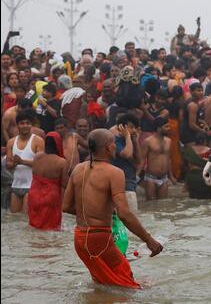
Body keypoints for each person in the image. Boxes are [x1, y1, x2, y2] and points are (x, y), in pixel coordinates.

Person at [62, 129, 163, 289]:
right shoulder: (114, 172)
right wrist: (149, 240)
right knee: (130, 287)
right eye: (115, 144)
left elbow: (66, 206)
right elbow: (124, 213)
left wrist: (95, 212)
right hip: (99, 239)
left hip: (80, 239)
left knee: (103, 284)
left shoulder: (78, 169)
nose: (116, 147)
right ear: (108, 147)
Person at [27, 131, 68, 230]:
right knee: (52, 228)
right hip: (51, 196)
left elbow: (33, 175)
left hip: (34, 194)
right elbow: (64, 185)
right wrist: (62, 206)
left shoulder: (37, 157)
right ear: (58, 143)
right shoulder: (61, 162)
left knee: (34, 226)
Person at [6, 110, 45, 213]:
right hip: (16, 185)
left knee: (26, 219)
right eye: (22, 123)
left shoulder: (38, 141)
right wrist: (14, 163)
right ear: (17, 125)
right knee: (14, 220)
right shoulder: (11, 142)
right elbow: (8, 165)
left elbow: (41, 164)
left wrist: (22, 161)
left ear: (31, 125)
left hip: (31, 186)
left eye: (28, 123)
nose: (25, 126)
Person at [110, 113, 141, 214]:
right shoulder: (116, 141)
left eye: (135, 128)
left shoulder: (132, 141)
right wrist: (127, 137)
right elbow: (127, 154)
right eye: (131, 127)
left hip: (130, 185)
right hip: (119, 187)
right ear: (121, 128)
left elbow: (138, 161)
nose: (134, 130)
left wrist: (135, 141)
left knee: (132, 219)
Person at [141, 117, 176, 201]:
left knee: (162, 205)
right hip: (150, 178)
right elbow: (142, 160)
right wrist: (137, 176)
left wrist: (171, 176)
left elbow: (168, 159)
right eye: (166, 126)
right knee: (150, 205)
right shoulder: (148, 141)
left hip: (164, 178)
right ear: (159, 128)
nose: (169, 129)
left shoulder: (169, 141)